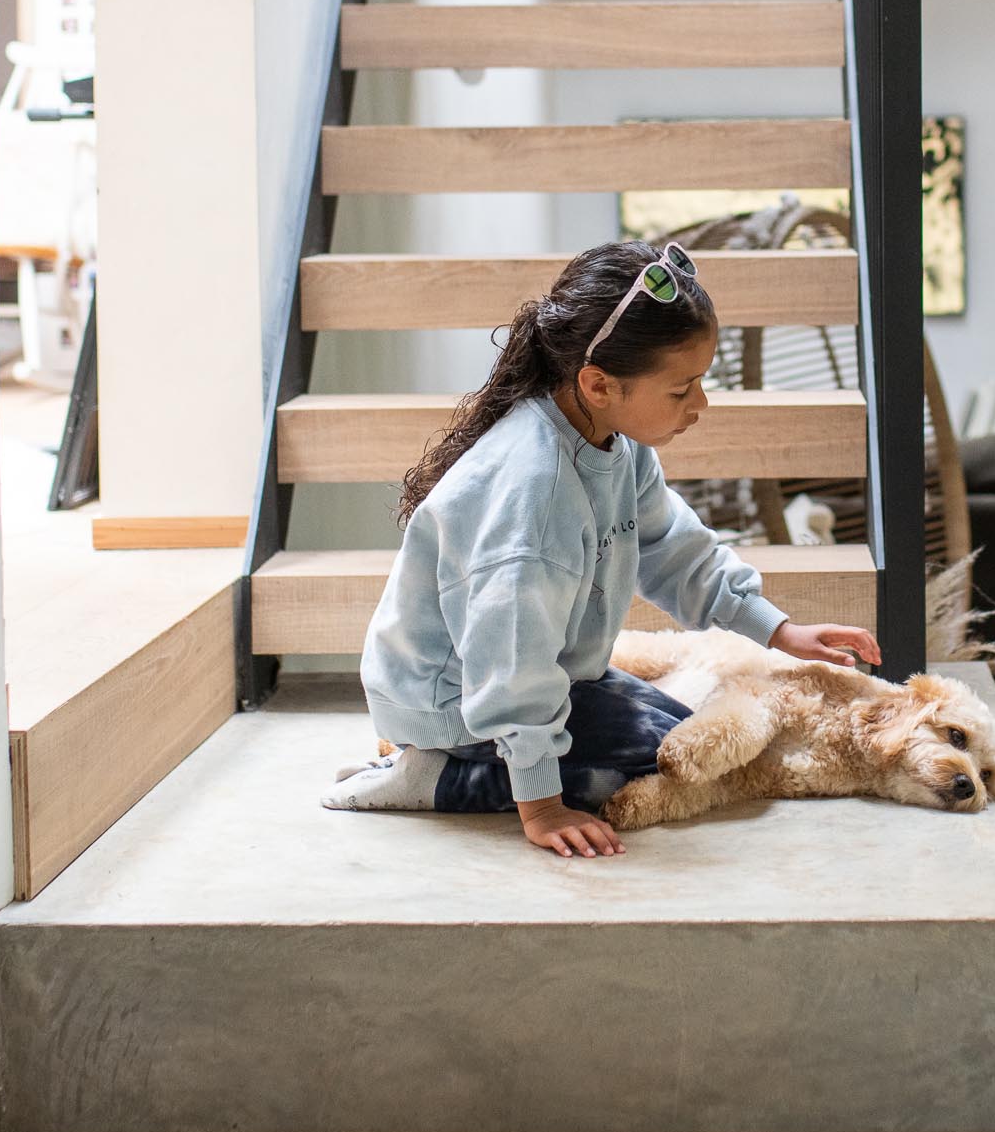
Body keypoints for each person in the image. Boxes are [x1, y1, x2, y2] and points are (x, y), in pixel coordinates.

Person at [323, 240, 880, 855]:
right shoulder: (533, 495)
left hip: (540, 672)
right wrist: (541, 806)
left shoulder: (614, 440)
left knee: (682, 739)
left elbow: (673, 548)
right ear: (598, 383)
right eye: (681, 389)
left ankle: (458, 756)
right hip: (460, 695)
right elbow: (509, 660)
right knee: (642, 769)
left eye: (702, 382)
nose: (700, 405)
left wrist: (778, 630)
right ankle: (435, 773)